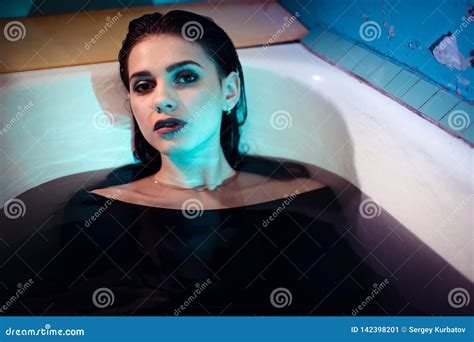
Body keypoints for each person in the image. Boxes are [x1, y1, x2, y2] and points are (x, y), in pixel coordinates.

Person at [0, 10, 421, 316]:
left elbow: (369, 314)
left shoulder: (306, 200)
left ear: (230, 90)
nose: (161, 99)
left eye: (185, 77)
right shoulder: (97, 213)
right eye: (143, 85)